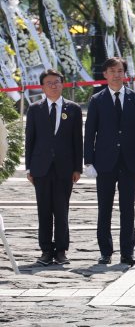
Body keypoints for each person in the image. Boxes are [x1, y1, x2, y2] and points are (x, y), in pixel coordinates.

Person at [84, 57, 135, 266]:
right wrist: (89, 161)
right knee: (104, 208)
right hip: (104, 163)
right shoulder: (97, 100)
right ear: (105, 74)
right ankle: (105, 251)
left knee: (127, 208)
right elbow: (90, 133)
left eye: (120, 70)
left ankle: (127, 252)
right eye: (112, 71)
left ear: (125, 73)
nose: (116, 75)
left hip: (129, 162)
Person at [25, 69, 82, 266]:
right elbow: (30, 140)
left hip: (64, 168)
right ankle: (46, 250)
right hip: (40, 168)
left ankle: (61, 250)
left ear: (62, 84)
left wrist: (77, 168)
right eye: (49, 83)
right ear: (42, 86)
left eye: (56, 82)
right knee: (44, 210)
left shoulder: (73, 109)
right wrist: (28, 168)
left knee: (61, 210)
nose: (53, 86)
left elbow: (77, 141)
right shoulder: (34, 109)